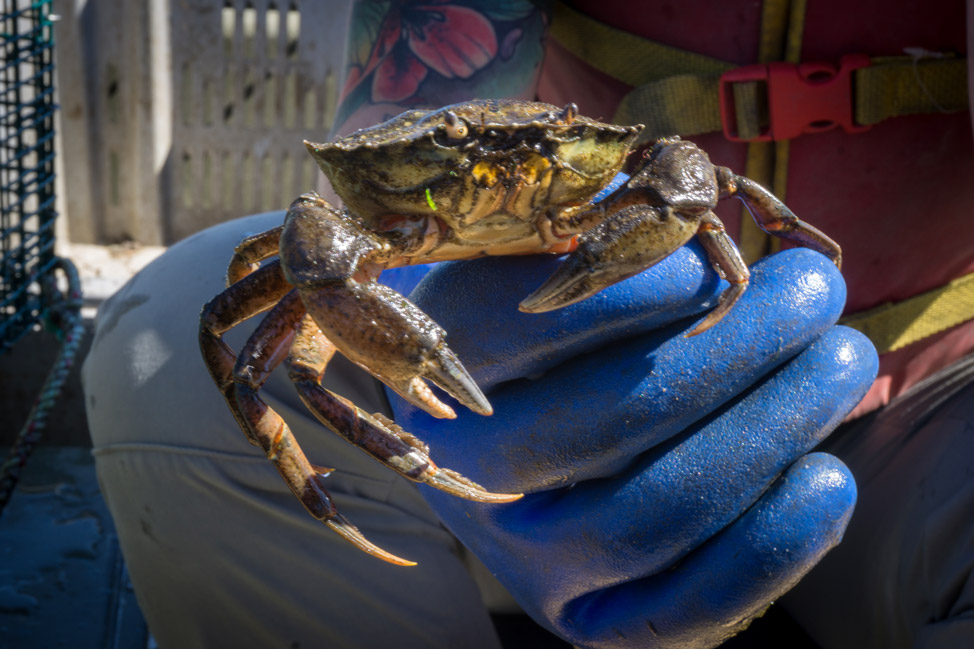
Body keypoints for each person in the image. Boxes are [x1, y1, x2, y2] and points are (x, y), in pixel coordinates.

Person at [82, 2, 973, 648]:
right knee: (173, 343)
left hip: (931, 406)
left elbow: (705, 182)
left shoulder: (641, 167)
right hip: (511, 395)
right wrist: (419, 322)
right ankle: (435, 489)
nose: (500, 174)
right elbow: (398, 100)